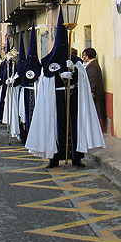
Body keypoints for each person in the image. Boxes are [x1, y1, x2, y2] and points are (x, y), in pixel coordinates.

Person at [26, 12, 85, 168]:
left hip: (72, 98)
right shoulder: (48, 63)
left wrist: (75, 71)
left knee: (74, 127)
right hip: (55, 100)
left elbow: (83, 80)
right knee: (54, 128)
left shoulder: (75, 61)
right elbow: (46, 80)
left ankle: (76, 157)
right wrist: (59, 75)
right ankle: (54, 157)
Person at [82, 48, 106, 132]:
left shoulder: (92, 65)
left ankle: (99, 129)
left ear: (88, 56)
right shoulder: (92, 64)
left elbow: (92, 79)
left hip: (95, 94)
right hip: (95, 93)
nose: (83, 57)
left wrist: (92, 91)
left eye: (84, 55)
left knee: (97, 110)